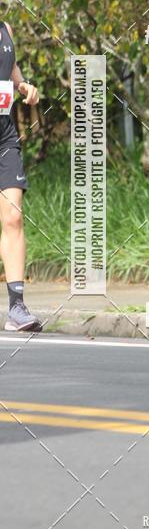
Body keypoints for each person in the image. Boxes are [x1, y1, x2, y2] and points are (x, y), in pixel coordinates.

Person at [0, 19, 41, 331]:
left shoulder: (6, 29)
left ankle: (16, 307)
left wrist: (23, 84)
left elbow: (10, 69)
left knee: (13, 217)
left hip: (5, 138)